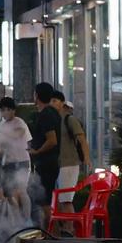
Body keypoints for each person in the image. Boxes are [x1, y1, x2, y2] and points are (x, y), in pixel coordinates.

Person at [50, 92, 92, 226]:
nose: (53, 104)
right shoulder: (54, 120)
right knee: (61, 200)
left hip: (68, 164)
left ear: (62, 104)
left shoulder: (69, 120)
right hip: (59, 164)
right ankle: (65, 230)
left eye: (55, 101)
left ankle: (69, 230)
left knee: (66, 200)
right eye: (51, 101)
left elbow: (82, 139)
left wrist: (86, 158)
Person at [0, 97, 32, 221]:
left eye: (8, 110)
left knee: (21, 190)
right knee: (9, 192)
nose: (5, 113)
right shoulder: (2, 125)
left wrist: (2, 134)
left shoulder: (18, 122)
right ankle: (16, 219)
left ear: (13, 110)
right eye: (3, 110)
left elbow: (18, 134)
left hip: (22, 161)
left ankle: (26, 219)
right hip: (8, 162)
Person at [29, 82, 61, 228]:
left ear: (37, 95)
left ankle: (50, 234)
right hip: (50, 162)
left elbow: (52, 140)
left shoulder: (46, 115)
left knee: (44, 201)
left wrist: (37, 151)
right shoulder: (52, 112)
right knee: (43, 200)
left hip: (47, 163)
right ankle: (49, 233)